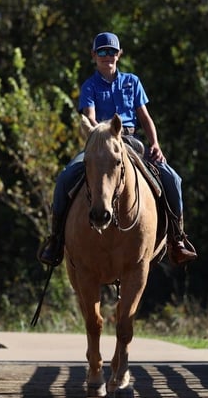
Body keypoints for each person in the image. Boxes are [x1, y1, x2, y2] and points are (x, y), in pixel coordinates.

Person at [38, 31, 197, 267]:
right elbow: (90, 118)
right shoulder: (89, 86)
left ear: (119, 54)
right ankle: (56, 239)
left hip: (130, 140)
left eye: (112, 51)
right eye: (102, 51)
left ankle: (177, 238)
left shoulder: (132, 82)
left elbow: (145, 118)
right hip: (99, 143)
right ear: (94, 55)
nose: (107, 56)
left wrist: (155, 143)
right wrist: (96, 130)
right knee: (65, 178)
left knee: (172, 178)